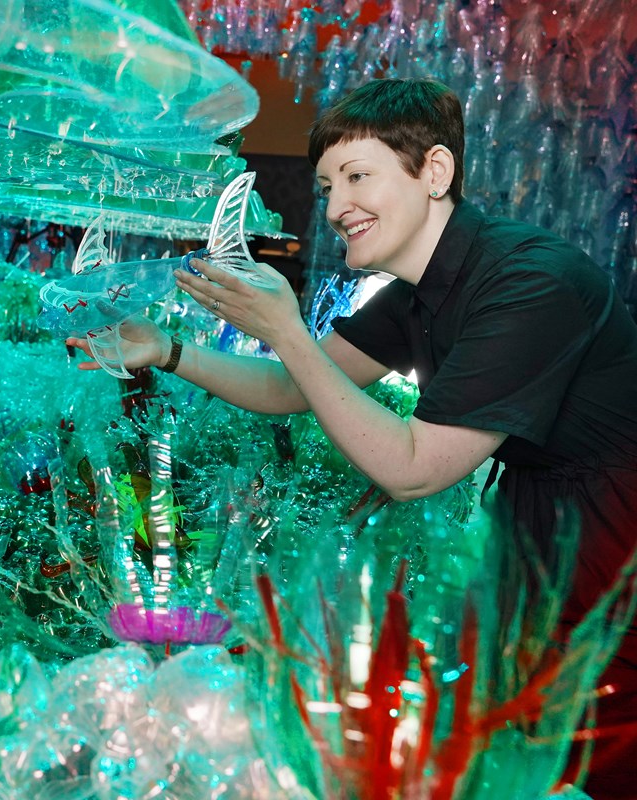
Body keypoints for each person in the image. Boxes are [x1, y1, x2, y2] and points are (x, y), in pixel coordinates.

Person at [67, 78, 637, 797]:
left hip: (617, 547)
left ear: (434, 173)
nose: (336, 208)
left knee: (597, 754)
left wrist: (283, 330)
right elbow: (288, 389)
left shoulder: (532, 281)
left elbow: (415, 468)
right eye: (329, 184)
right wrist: (167, 351)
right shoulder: (421, 291)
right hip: (542, 541)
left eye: (358, 176)